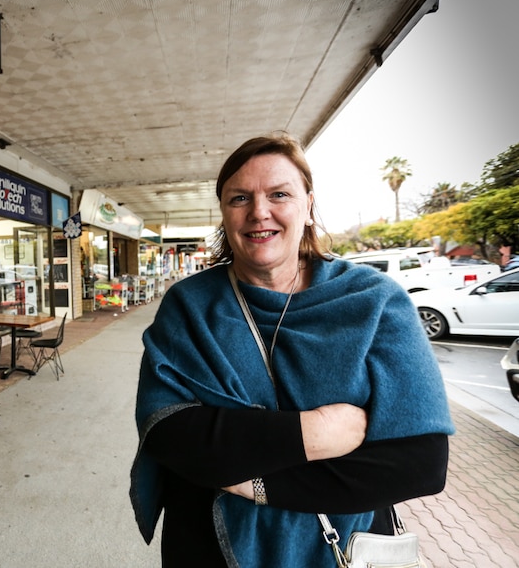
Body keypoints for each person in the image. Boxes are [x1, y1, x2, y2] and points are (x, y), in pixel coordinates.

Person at [129, 132, 454, 567]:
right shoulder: (190, 306)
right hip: (209, 547)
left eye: (279, 194)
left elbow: (419, 463)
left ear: (308, 203)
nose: (259, 212)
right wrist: (317, 431)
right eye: (239, 198)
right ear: (224, 213)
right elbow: (170, 435)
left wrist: (257, 484)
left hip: (343, 548)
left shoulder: (374, 301)